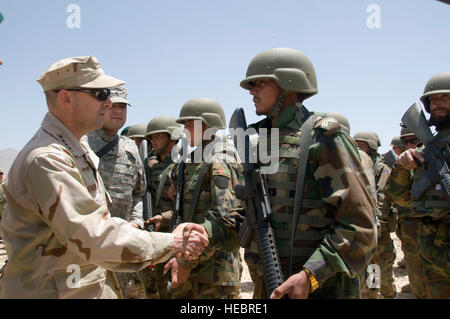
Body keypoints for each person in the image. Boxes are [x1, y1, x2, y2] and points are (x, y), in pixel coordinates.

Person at [0, 56, 208, 298]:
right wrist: (171, 242)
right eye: (100, 94)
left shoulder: (77, 150)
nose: (109, 102)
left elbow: (132, 198)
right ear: (66, 98)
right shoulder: (47, 160)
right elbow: (94, 238)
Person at [240, 48, 376, 299]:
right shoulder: (259, 144)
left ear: (288, 84)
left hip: (321, 288)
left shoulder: (322, 138)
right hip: (270, 284)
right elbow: (246, 212)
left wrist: (311, 274)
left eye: (260, 83)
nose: (252, 91)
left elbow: (361, 226)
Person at [164, 97, 244, 299]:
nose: (184, 130)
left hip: (214, 277)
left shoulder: (220, 159)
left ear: (208, 124)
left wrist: (185, 262)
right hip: (195, 271)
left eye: (190, 124)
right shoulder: (198, 159)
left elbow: (226, 221)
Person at [385, 70, 450, 298]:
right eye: (432, 100)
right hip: (431, 261)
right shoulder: (425, 152)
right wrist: (402, 168)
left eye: (445, 98)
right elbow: (401, 198)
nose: (437, 104)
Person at [87, 86, 146, 298]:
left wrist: (137, 222)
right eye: (110, 106)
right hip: (90, 247)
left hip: (124, 245)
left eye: (122, 106)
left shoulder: (131, 147)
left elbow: (140, 192)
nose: (117, 111)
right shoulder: (82, 143)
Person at [141, 115, 183, 299]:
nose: (153, 141)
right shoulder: (148, 164)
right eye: (151, 138)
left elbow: (187, 204)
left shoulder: (184, 164)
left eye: (157, 137)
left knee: (172, 288)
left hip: (173, 233)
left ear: (172, 138)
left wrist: (164, 217)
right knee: (150, 286)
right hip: (151, 232)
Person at [353, 132, 397, 299]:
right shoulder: (355, 166)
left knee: (380, 269)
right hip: (362, 230)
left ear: (371, 149)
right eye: (355, 145)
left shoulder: (382, 169)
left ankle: (389, 295)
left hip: (379, 231)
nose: (357, 149)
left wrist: (372, 221)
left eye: (362, 145)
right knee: (367, 272)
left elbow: (382, 199)